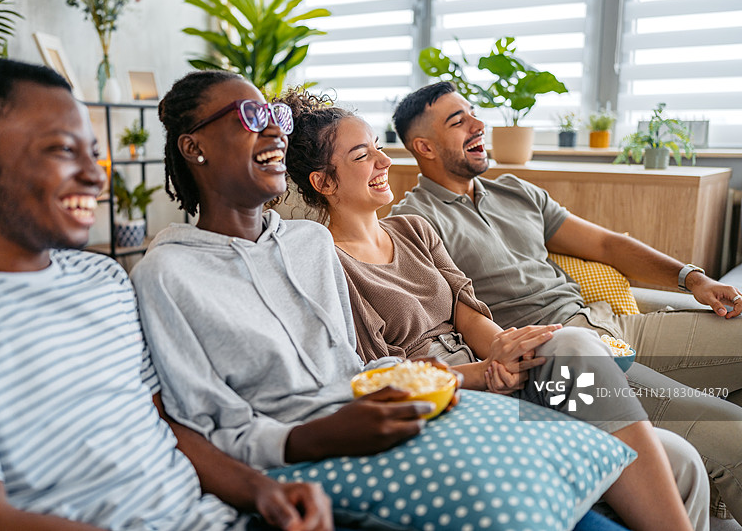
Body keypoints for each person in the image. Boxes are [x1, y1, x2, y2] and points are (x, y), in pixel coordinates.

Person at [274, 88, 710, 531]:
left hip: (496, 375)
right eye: (363, 156)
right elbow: (377, 373)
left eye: (380, 149)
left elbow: (467, 311)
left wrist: (503, 348)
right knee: (577, 344)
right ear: (324, 183)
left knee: (683, 461)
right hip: (449, 400)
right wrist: (483, 372)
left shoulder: (412, 229)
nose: (384, 162)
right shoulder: (325, 261)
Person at [0, 58, 332, 531]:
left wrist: (265, 493)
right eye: (63, 150)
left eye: (94, 153)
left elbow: (166, 426)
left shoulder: (102, 279)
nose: (96, 175)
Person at [388, 79, 742, 523]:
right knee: (731, 433)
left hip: (610, 323)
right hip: (564, 355)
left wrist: (692, 278)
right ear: (425, 146)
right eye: (458, 121)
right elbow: (438, 325)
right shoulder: (414, 222)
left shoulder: (515, 190)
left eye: (473, 112)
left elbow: (609, 246)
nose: (479, 124)